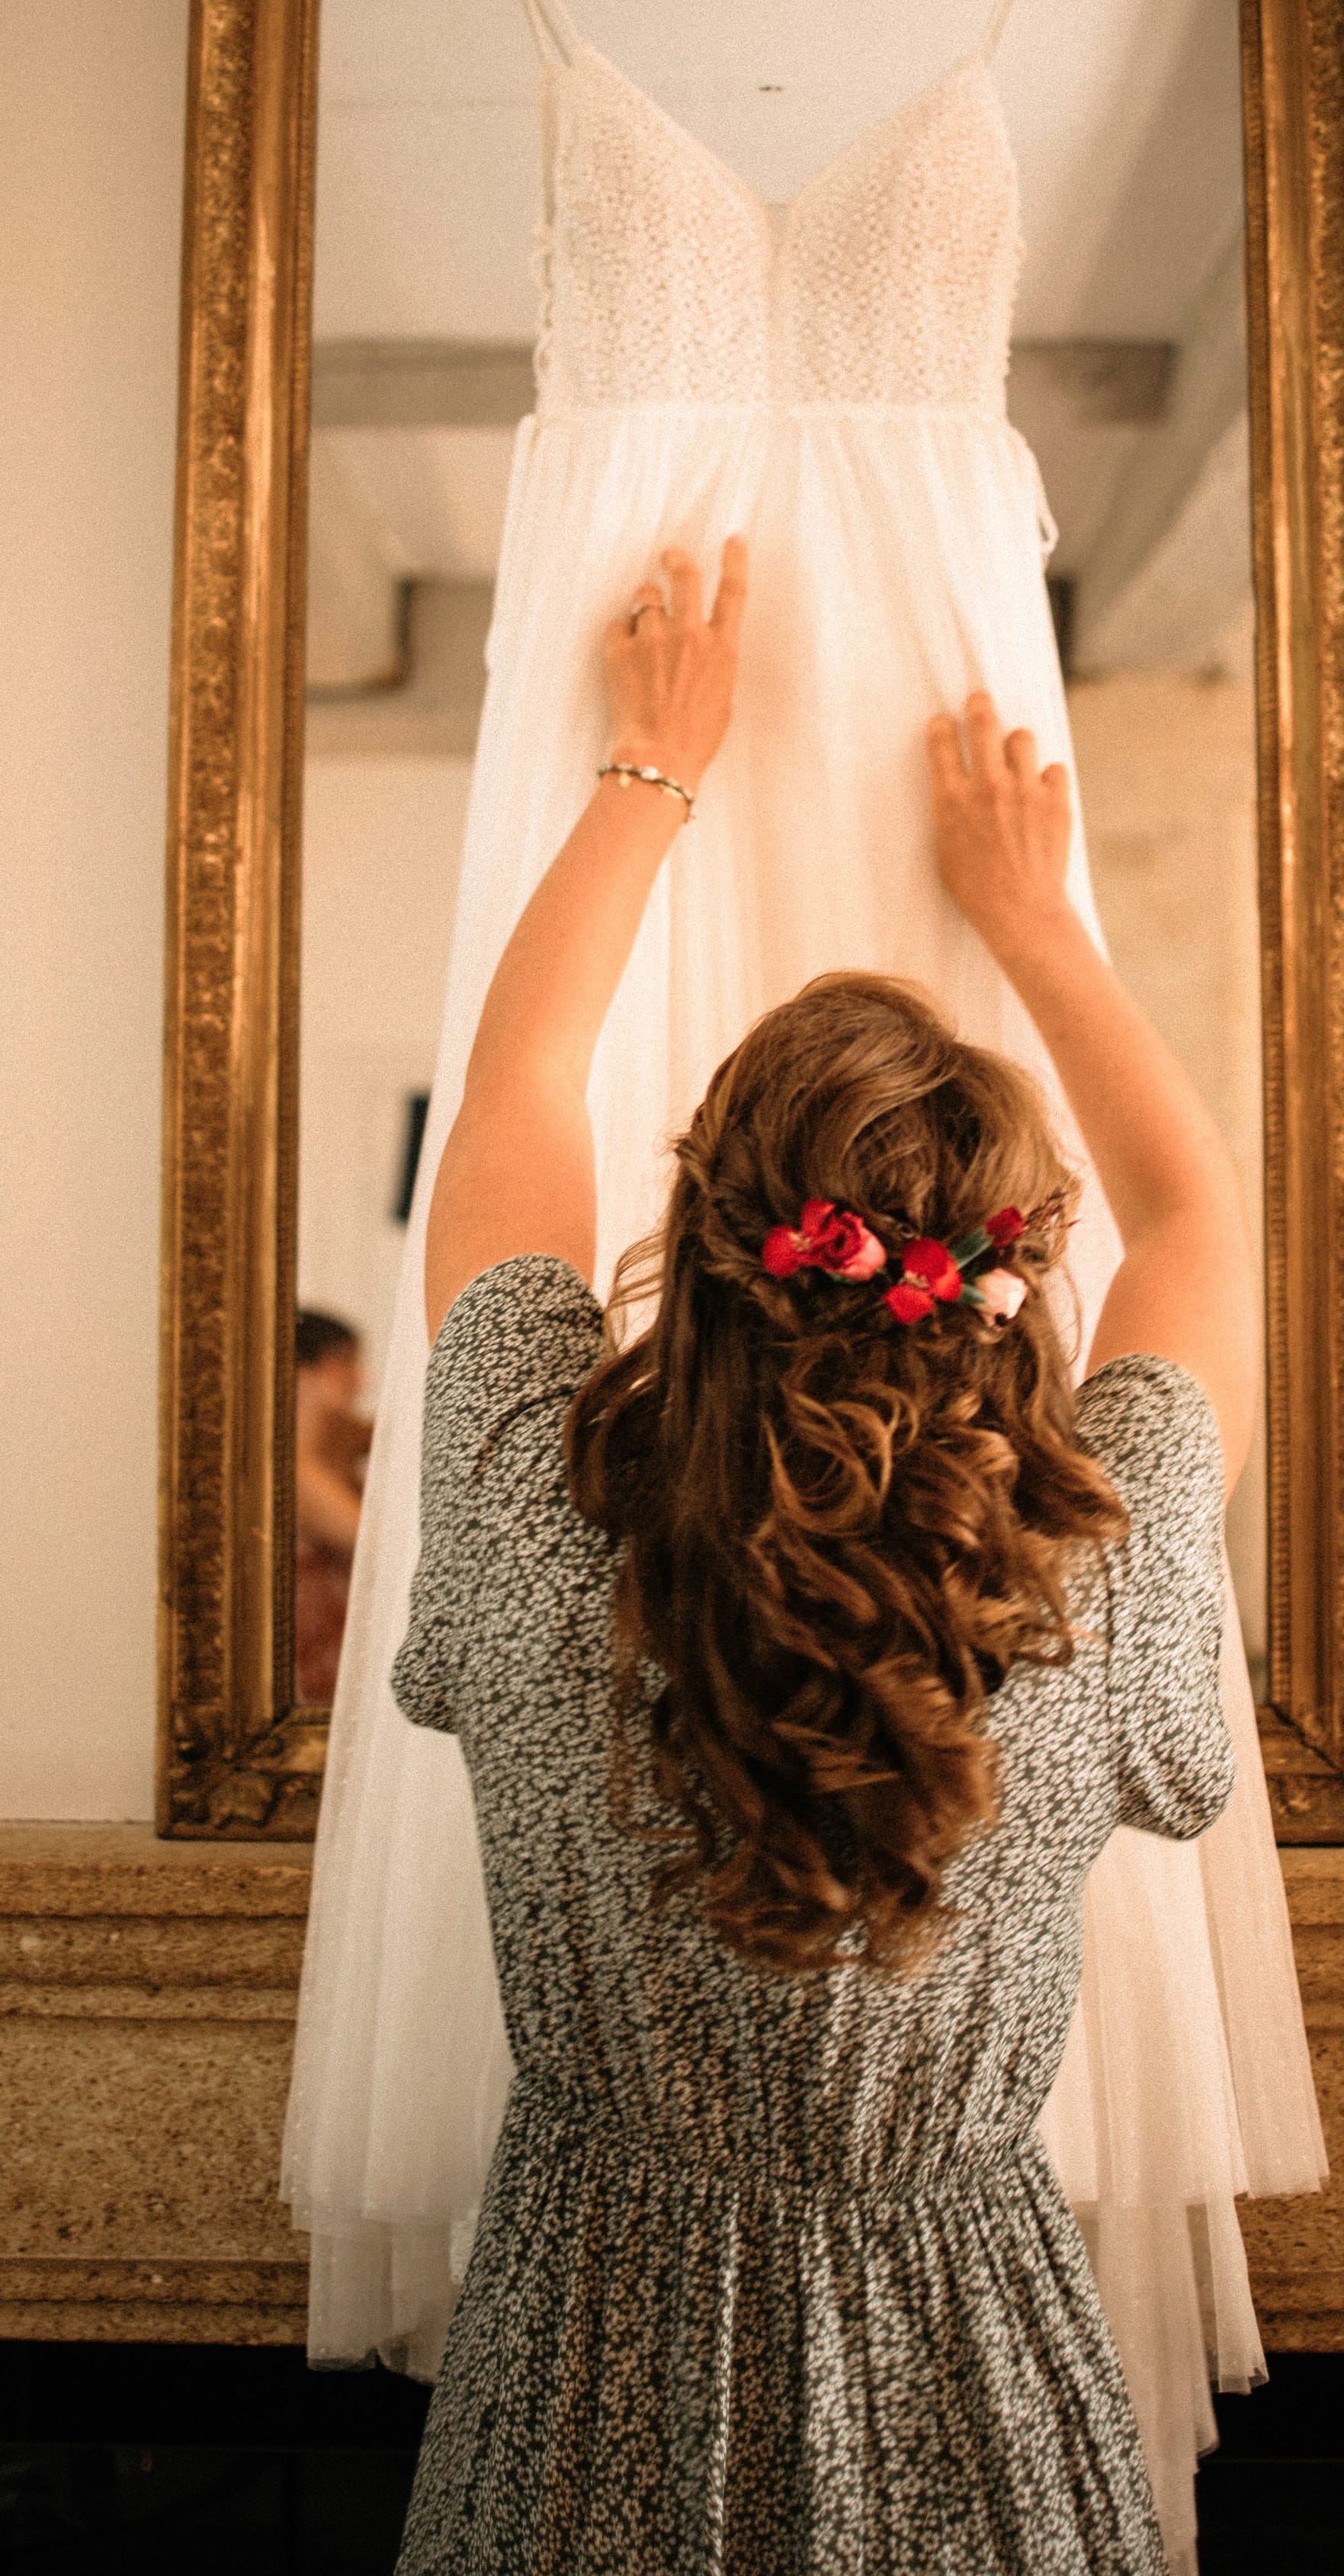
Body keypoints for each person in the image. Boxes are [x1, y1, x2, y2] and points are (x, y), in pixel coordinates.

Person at [388, 541, 1255, 2574]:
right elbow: (1203, 1223)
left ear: (700, 1232)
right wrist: (1034, 924)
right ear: (1008, 1282)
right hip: (982, 2361)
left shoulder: (536, 1511)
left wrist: (649, 766)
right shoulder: (1080, 1579)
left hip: (582, 2367)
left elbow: (512, 1094)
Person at [293, 1310, 370, 1705]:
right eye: (344, 1362)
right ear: (302, 1371)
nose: (360, 1380)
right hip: (328, 1672)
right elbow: (380, 1553)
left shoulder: (334, 1449)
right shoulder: (296, 1472)